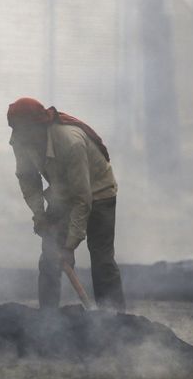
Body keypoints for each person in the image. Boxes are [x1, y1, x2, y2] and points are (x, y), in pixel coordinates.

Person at [7, 97, 126, 312]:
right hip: (61, 194)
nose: (18, 137)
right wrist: (40, 215)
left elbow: (83, 198)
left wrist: (69, 246)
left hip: (98, 193)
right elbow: (28, 178)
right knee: (49, 260)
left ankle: (116, 321)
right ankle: (47, 321)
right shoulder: (21, 140)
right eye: (16, 131)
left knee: (102, 261)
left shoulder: (71, 142)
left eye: (23, 131)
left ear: (38, 127)